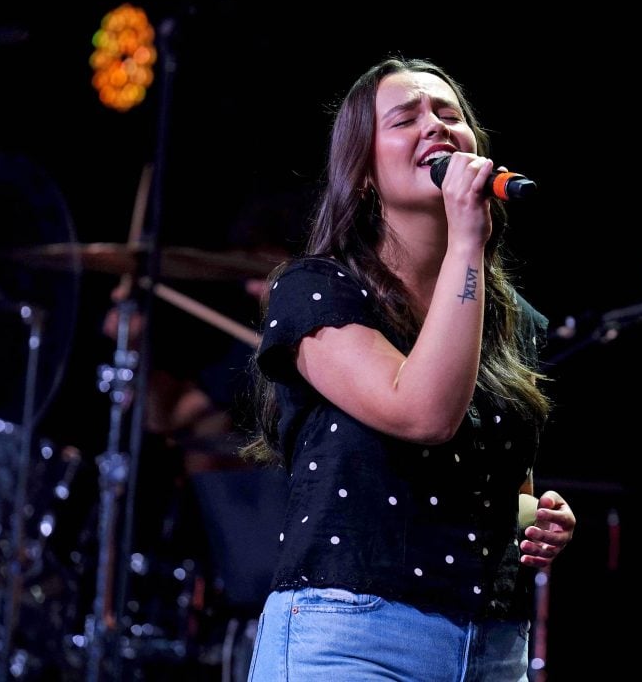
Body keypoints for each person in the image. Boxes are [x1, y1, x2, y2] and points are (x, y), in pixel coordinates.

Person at [240, 57, 576, 680]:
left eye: (449, 114)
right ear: (365, 174)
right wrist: (467, 242)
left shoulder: (512, 318)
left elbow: (505, 486)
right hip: (354, 637)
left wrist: (540, 517)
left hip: (492, 645)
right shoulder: (317, 291)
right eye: (405, 119)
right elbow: (423, 414)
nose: (436, 126)